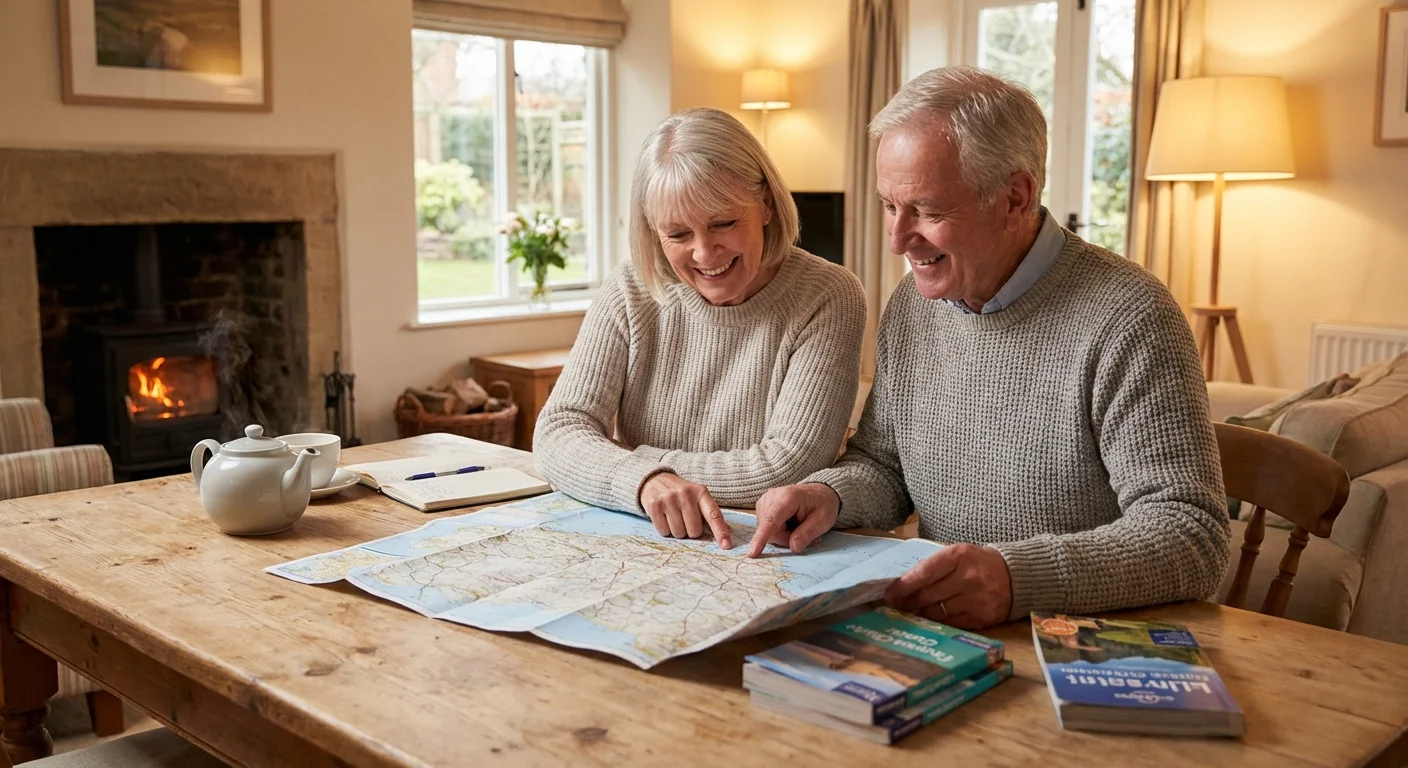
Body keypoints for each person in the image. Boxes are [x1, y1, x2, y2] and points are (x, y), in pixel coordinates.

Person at [749, 66, 1230, 629]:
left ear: (1016, 197)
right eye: (888, 205)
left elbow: (1191, 535)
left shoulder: (1130, 316)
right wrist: (826, 495)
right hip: (946, 629)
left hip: (1081, 640)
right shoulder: (914, 304)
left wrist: (1015, 578)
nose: (897, 239)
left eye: (927, 211)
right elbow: (884, 464)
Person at [534, 107, 866, 550]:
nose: (705, 254)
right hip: (640, 541)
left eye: (723, 223)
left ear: (766, 204)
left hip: (759, 550)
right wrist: (645, 481)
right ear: (653, 231)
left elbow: (787, 466)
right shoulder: (631, 288)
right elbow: (558, 431)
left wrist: (639, 462)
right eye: (677, 234)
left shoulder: (829, 295)